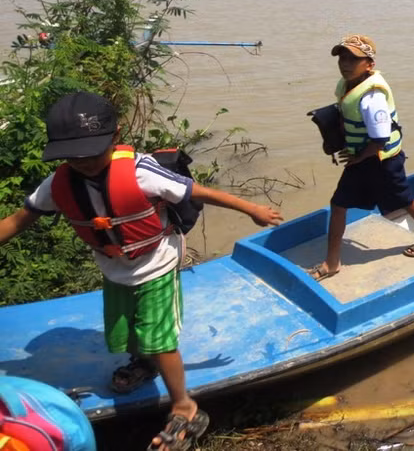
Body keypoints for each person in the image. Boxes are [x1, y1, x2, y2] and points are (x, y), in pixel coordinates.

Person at [0, 91, 284, 451]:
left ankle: (186, 406)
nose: (83, 161)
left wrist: (251, 209)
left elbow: (197, 191)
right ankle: (144, 364)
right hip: (115, 266)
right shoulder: (58, 185)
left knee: (158, 337)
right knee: (124, 332)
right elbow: (18, 220)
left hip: (157, 261)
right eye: (73, 155)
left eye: (92, 152)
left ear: (115, 137)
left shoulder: (140, 171)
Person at [321, 35, 414, 272]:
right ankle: (332, 262)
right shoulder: (347, 86)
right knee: (338, 204)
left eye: (353, 60)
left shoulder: (372, 97)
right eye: (342, 58)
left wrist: (357, 157)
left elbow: (380, 139)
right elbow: (346, 118)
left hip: (383, 159)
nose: (345, 64)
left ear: (369, 64)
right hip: (361, 157)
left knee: (403, 198)